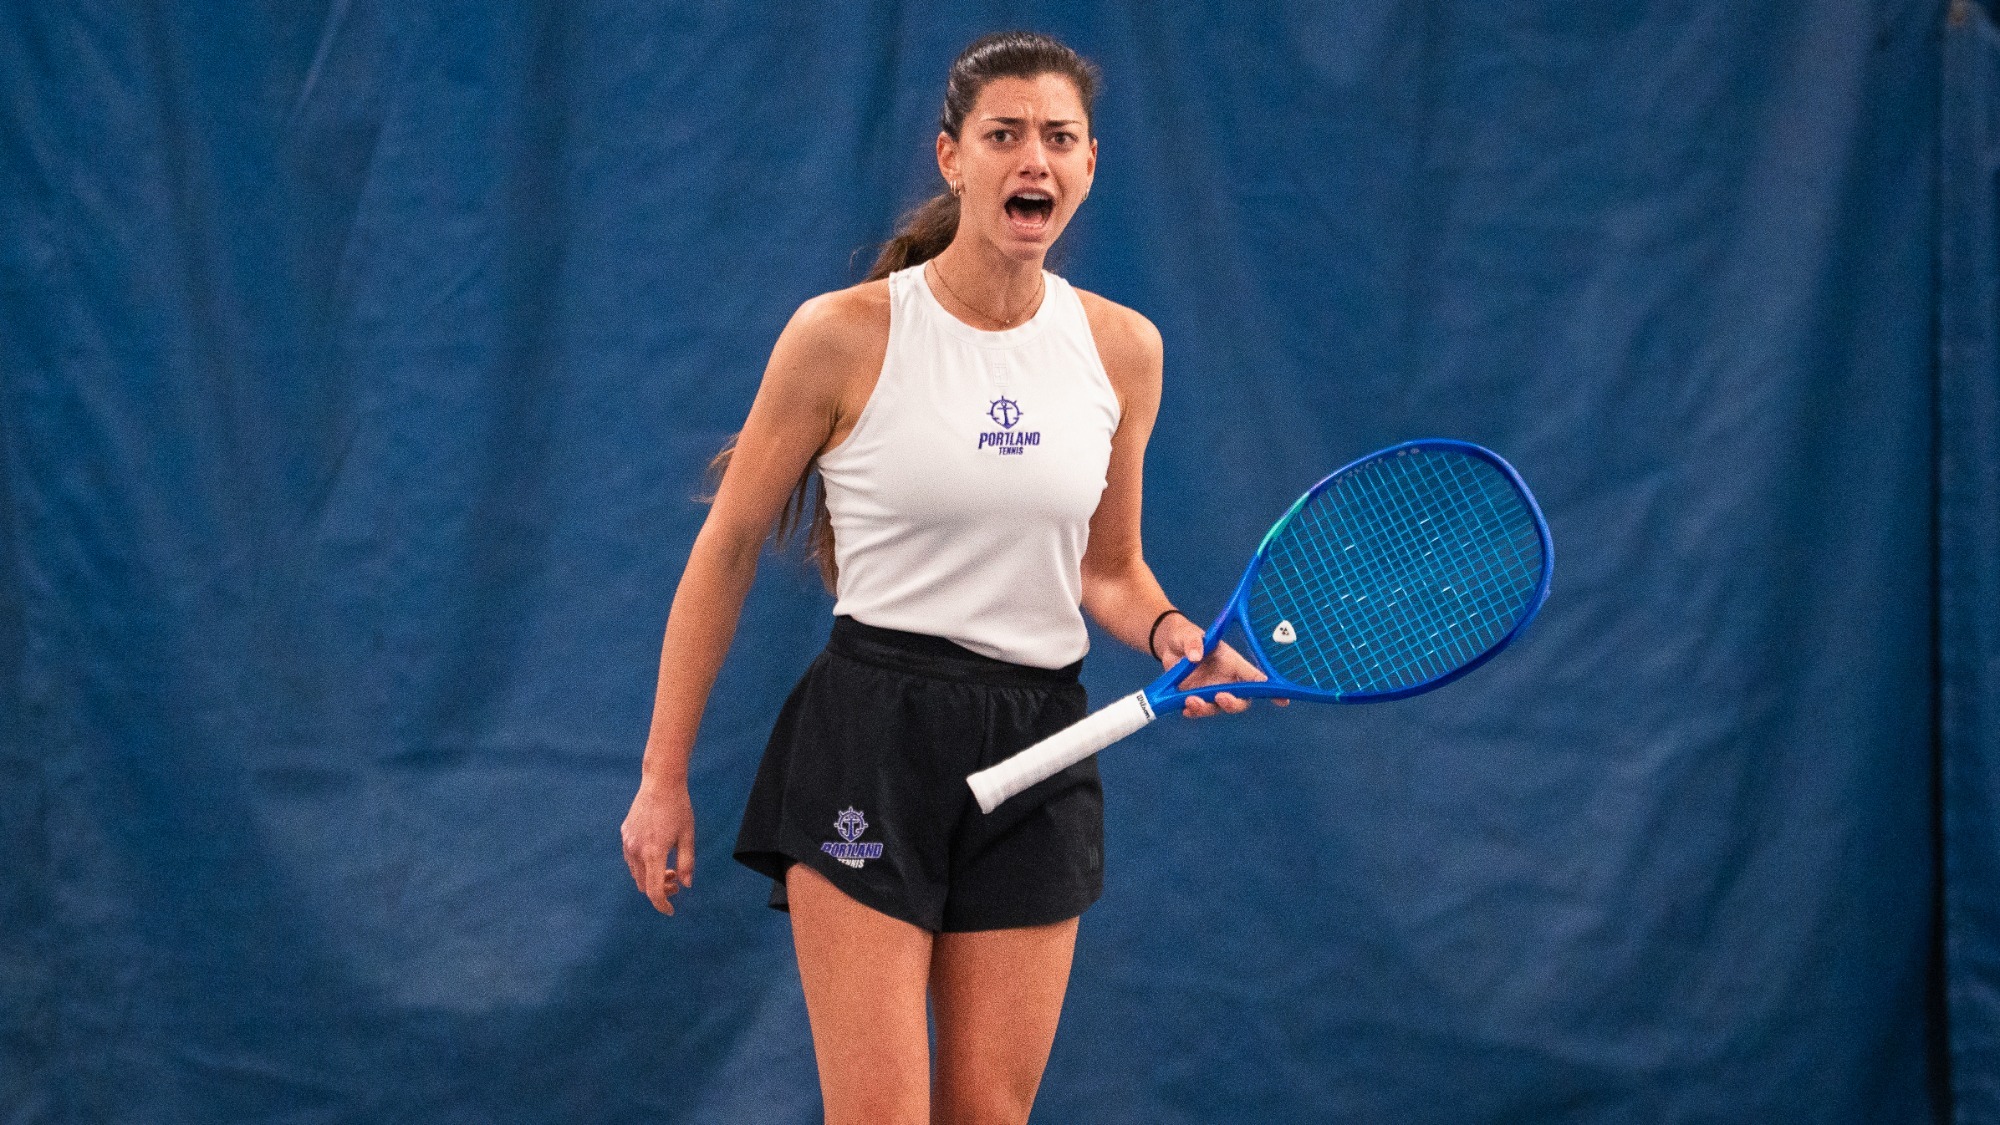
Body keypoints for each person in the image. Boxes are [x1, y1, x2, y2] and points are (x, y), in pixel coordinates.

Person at [620, 31, 1275, 1125]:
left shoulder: (1123, 350)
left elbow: (1107, 571)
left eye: (1058, 138)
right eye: (1004, 134)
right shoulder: (840, 337)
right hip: (870, 735)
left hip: (1042, 740)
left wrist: (1169, 633)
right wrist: (661, 774)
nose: (1034, 159)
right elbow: (725, 548)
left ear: (1089, 166)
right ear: (951, 159)